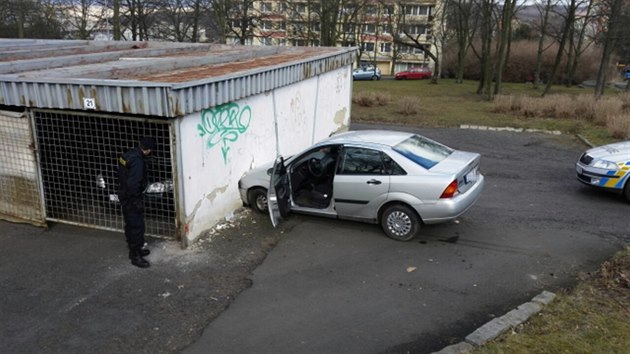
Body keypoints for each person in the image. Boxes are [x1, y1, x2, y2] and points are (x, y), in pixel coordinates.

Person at [118, 137, 156, 268]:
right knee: (137, 227)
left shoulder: (128, 154)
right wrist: (136, 201)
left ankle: (135, 250)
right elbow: (133, 183)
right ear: (148, 150)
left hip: (124, 194)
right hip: (131, 198)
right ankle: (136, 256)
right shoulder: (138, 162)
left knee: (130, 224)